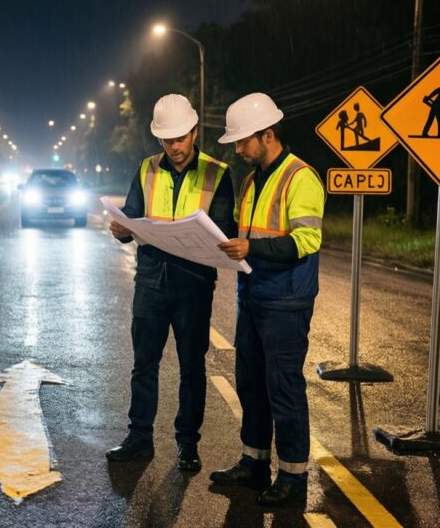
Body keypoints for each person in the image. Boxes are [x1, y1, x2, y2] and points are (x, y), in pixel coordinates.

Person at [105, 94, 236, 474]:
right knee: (144, 364)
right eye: (167, 140)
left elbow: (225, 229)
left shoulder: (217, 173)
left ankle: (188, 444)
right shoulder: (146, 169)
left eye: (180, 138)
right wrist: (122, 229)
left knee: (192, 367)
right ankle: (139, 438)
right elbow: (132, 217)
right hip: (151, 280)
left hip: (194, 284)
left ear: (194, 132)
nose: (174, 146)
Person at [211, 92, 325, 506]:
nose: (238, 150)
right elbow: (242, 231)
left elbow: (307, 240)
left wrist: (251, 249)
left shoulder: (301, 177)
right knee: (251, 384)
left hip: (286, 301)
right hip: (254, 295)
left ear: (268, 135)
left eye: (243, 141)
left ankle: (293, 478)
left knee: (284, 388)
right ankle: (254, 463)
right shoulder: (251, 180)